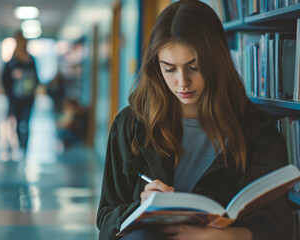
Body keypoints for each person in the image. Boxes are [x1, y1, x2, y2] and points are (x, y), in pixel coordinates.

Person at [96, 1, 292, 240]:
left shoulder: (256, 129)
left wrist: (214, 237)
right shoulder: (130, 125)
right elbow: (106, 220)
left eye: (194, 67)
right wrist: (140, 207)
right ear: (157, 67)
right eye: (169, 69)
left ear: (216, 62)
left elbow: (277, 228)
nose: (182, 82)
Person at [2, 31, 39, 152]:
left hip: (26, 98)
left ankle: (24, 146)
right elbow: (4, 79)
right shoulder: (13, 61)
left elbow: (36, 79)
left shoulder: (28, 60)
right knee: (20, 123)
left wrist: (25, 77)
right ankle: (22, 145)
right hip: (17, 98)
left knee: (24, 122)